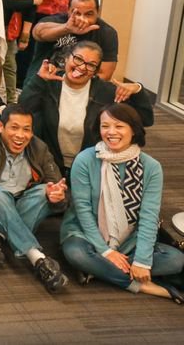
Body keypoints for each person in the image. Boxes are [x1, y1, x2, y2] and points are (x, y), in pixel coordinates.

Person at [60, 103, 184, 301]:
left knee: (176, 260)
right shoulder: (85, 159)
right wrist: (106, 251)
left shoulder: (151, 167)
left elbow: (149, 216)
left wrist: (142, 261)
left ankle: (98, 270)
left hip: (129, 238)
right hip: (86, 233)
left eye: (119, 126)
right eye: (105, 126)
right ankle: (146, 287)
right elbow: (82, 210)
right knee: (77, 254)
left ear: (133, 130)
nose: (111, 132)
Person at [0, 105, 70, 293]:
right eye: (14, 127)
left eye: (26, 129)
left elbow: (58, 189)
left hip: (18, 207)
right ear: (1, 127)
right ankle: (37, 258)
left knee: (45, 190)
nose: (20, 135)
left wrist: (57, 196)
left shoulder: (38, 148)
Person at [19, 41, 153, 173]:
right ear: (66, 58)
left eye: (91, 65)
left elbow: (146, 119)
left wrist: (138, 90)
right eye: (78, 59)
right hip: (49, 164)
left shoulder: (106, 92)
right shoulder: (49, 83)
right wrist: (38, 80)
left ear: (95, 71)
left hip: (93, 166)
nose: (82, 67)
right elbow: (23, 109)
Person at [29, 0, 118, 81]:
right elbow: (38, 33)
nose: (82, 19)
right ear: (68, 11)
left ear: (97, 12)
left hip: (81, 88)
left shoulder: (107, 33)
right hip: (42, 82)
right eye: (76, 13)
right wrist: (66, 28)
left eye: (89, 14)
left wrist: (73, 80)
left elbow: (105, 75)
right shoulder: (55, 21)